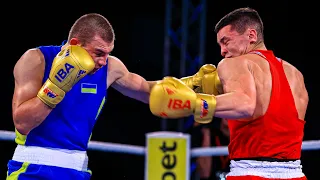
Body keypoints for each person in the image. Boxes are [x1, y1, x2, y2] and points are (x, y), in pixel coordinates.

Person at [8, 13, 217, 180]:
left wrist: (192, 84)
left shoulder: (110, 68)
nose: (103, 61)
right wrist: (57, 85)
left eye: (108, 53)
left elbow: (147, 90)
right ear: (75, 43)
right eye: (98, 53)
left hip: (77, 169)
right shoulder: (37, 60)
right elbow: (22, 123)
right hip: (31, 168)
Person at [149, 7, 309, 180]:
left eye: (226, 41)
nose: (222, 51)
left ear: (251, 35)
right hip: (296, 174)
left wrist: (194, 103)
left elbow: (246, 105)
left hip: (250, 174)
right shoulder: (296, 74)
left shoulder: (234, 63)